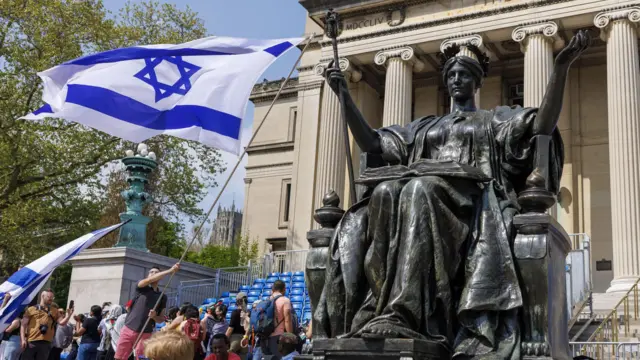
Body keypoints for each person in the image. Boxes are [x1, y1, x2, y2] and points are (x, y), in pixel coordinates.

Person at [316, 30, 590, 358]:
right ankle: (380, 308)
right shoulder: (424, 128)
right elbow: (373, 143)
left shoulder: (495, 120)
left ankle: (406, 314)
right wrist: (345, 96)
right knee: (386, 191)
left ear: (477, 83)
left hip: (475, 206)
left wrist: (560, 68)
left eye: (464, 75)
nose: (457, 79)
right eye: (452, 75)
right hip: (423, 205)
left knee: (420, 187)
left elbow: (541, 124)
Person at [114, 264, 178, 360]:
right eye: (151, 272)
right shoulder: (140, 288)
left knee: (142, 358)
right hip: (129, 328)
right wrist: (170, 271)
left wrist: (154, 317)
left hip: (146, 332)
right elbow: (148, 281)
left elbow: (161, 319)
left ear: (160, 276)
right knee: (120, 357)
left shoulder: (162, 296)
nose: (152, 274)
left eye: (156, 273)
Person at [21, 290, 73, 360]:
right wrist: (23, 339)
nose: (51, 299)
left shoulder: (55, 311)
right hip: (31, 341)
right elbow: (23, 325)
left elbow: (62, 323)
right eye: (49, 297)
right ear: (42, 296)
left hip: (46, 343)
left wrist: (69, 315)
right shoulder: (31, 309)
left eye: (52, 297)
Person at [260, 281, 292, 360]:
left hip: (265, 336)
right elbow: (287, 320)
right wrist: (290, 336)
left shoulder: (266, 300)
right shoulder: (285, 300)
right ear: (284, 289)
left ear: (273, 289)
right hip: (278, 336)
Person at [225, 293, 249, 360]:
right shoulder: (249, 312)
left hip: (235, 339)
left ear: (237, 301)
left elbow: (230, 328)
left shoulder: (235, 312)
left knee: (229, 356)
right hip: (245, 338)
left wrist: (224, 338)